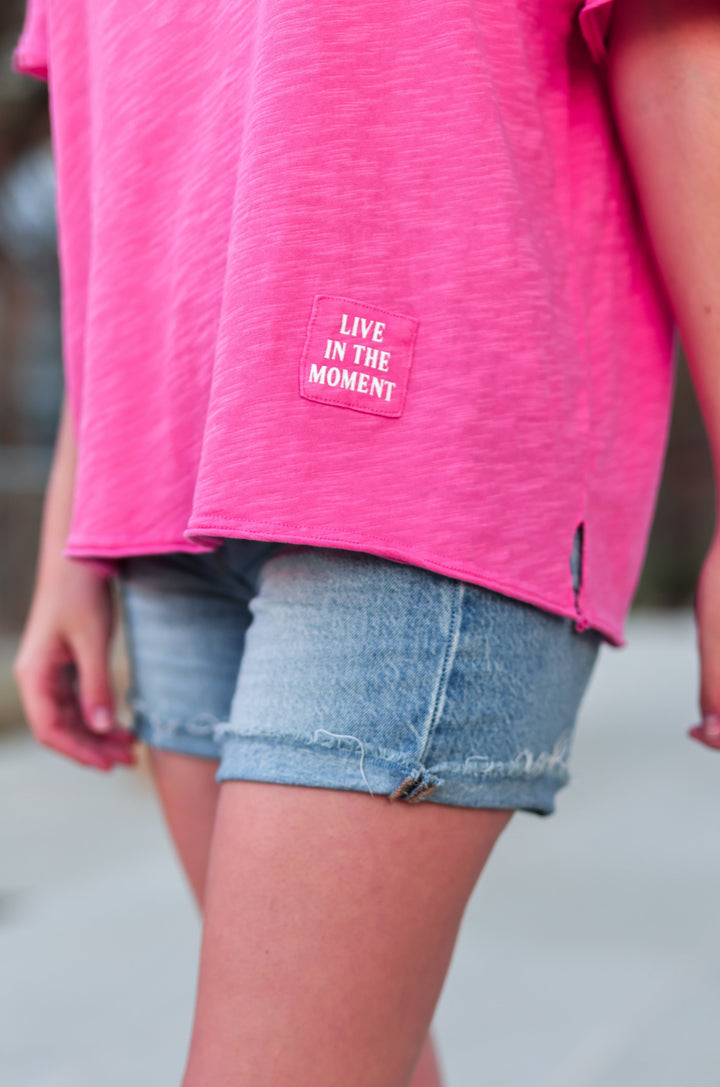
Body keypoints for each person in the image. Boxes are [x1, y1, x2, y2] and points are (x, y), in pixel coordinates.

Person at [9, 1, 720, 1084]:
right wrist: (75, 530)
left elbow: (674, 41)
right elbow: (123, 123)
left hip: (415, 470)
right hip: (165, 500)